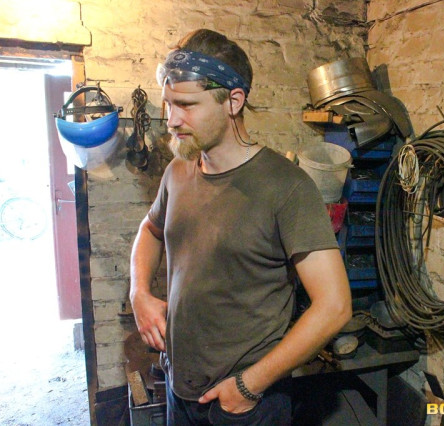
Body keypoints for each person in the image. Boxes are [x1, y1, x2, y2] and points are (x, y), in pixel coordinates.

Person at [129, 29, 352, 425]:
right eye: (168, 104)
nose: (172, 120)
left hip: (243, 405)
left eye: (186, 105)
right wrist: (139, 293)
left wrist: (248, 387)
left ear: (233, 101)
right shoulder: (178, 171)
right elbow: (150, 229)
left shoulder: (287, 187)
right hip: (179, 387)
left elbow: (334, 306)